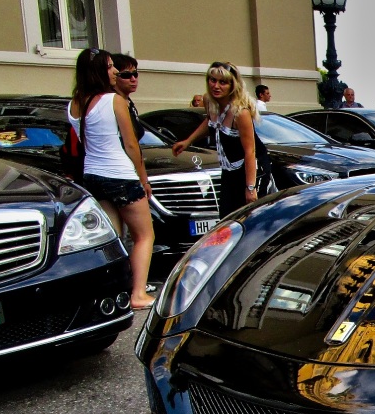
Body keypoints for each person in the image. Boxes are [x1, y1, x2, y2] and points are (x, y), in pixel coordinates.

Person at [68, 48, 154, 310]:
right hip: (120, 174)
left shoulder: (74, 104)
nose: (115, 71)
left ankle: (114, 290)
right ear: (97, 71)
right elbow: (131, 145)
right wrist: (143, 180)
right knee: (144, 236)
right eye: (109, 67)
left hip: (92, 175)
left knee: (113, 239)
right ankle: (138, 293)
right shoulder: (114, 100)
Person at [172, 61, 262, 218]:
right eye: (212, 80)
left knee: (246, 218)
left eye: (223, 82)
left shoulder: (240, 112)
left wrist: (250, 187)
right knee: (226, 218)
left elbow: (250, 151)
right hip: (227, 170)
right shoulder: (209, 101)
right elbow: (210, 122)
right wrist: (188, 141)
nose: (216, 86)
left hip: (249, 169)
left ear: (232, 85)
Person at [111, 52, 145, 141]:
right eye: (126, 75)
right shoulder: (112, 103)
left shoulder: (129, 102)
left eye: (135, 74)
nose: (133, 79)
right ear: (114, 76)